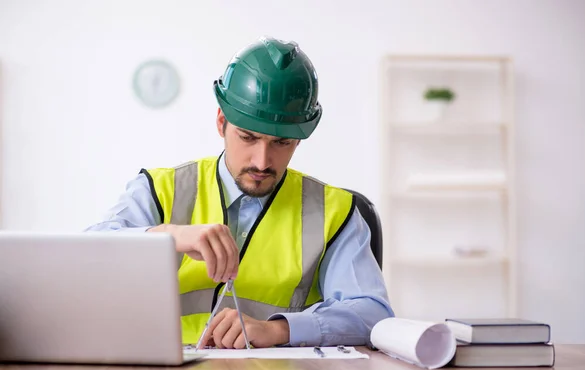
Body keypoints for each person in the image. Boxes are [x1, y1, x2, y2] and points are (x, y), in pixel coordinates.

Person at [86, 36, 394, 349]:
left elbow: (372, 314)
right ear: (222, 122)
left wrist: (279, 331)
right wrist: (169, 236)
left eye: (281, 143)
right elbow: (86, 258)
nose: (262, 161)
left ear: (299, 139)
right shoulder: (159, 189)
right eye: (248, 137)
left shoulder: (335, 211)